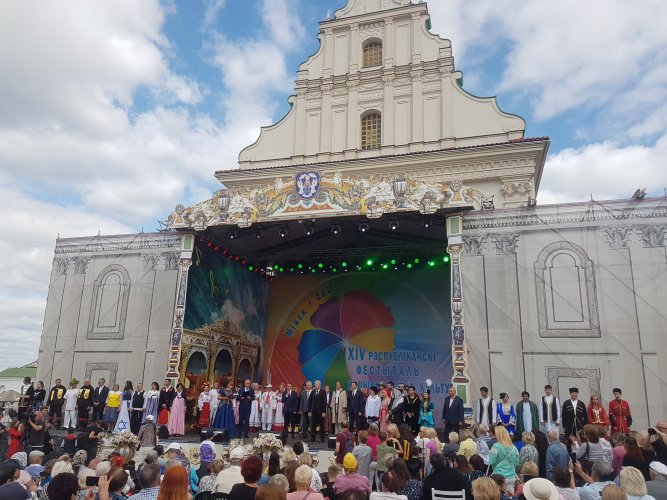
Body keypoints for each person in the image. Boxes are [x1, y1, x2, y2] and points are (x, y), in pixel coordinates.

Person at [488, 426, 519, 494]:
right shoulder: (514, 447)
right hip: (512, 477)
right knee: (510, 496)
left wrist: (496, 467)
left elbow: (492, 461)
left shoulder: (496, 446)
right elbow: (516, 463)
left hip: (498, 477)